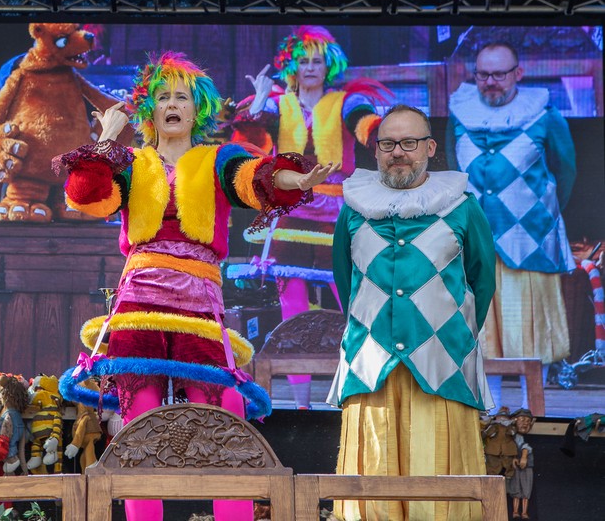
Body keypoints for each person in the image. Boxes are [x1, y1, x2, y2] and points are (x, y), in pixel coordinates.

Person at [55, 51, 338, 521]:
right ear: (150, 110)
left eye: (182, 97)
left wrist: (299, 178)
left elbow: (256, 178)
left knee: (221, 414)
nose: (172, 104)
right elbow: (84, 195)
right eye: (163, 96)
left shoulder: (216, 159)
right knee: (140, 421)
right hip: (139, 304)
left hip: (199, 305)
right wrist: (106, 139)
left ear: (197, 109)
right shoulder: (130, 162)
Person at [330, 104, 496, 521]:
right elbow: (345, 281)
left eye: (408, 142)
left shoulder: (462, 206)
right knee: (372, 494)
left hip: (443, 368)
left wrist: (448, 332)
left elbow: (482, 282)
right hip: (370, 367)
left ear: (430, 148)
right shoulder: (353, 208)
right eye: (388, 144)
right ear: (376, 150)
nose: (398, 153)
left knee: (440, 497)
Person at [239, 26, 390, 408]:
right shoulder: (279, 103)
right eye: (303, 60)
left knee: (350, 300)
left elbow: (365, 125)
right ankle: (302, 404)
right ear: (292, 65)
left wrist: (384, 131)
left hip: (334, 212)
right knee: (292, 306)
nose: (309, 67)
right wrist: (260, 100)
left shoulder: (345, 101)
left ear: (328, 65)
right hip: (290, 211)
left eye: (317, 61)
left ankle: (358, 392)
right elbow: (253, 131)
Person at [448, 42, 576, 396]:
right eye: (483, 74)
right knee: (482, 329)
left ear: (518, 74)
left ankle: (531, 410)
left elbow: (566, 171)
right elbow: (454, 171)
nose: (490, 82)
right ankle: (489, 410)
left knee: (529, 330)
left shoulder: (545, 115)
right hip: (477, 239)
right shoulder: (460, 114)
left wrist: (540, 214)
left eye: (499, 74)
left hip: (529, 241)